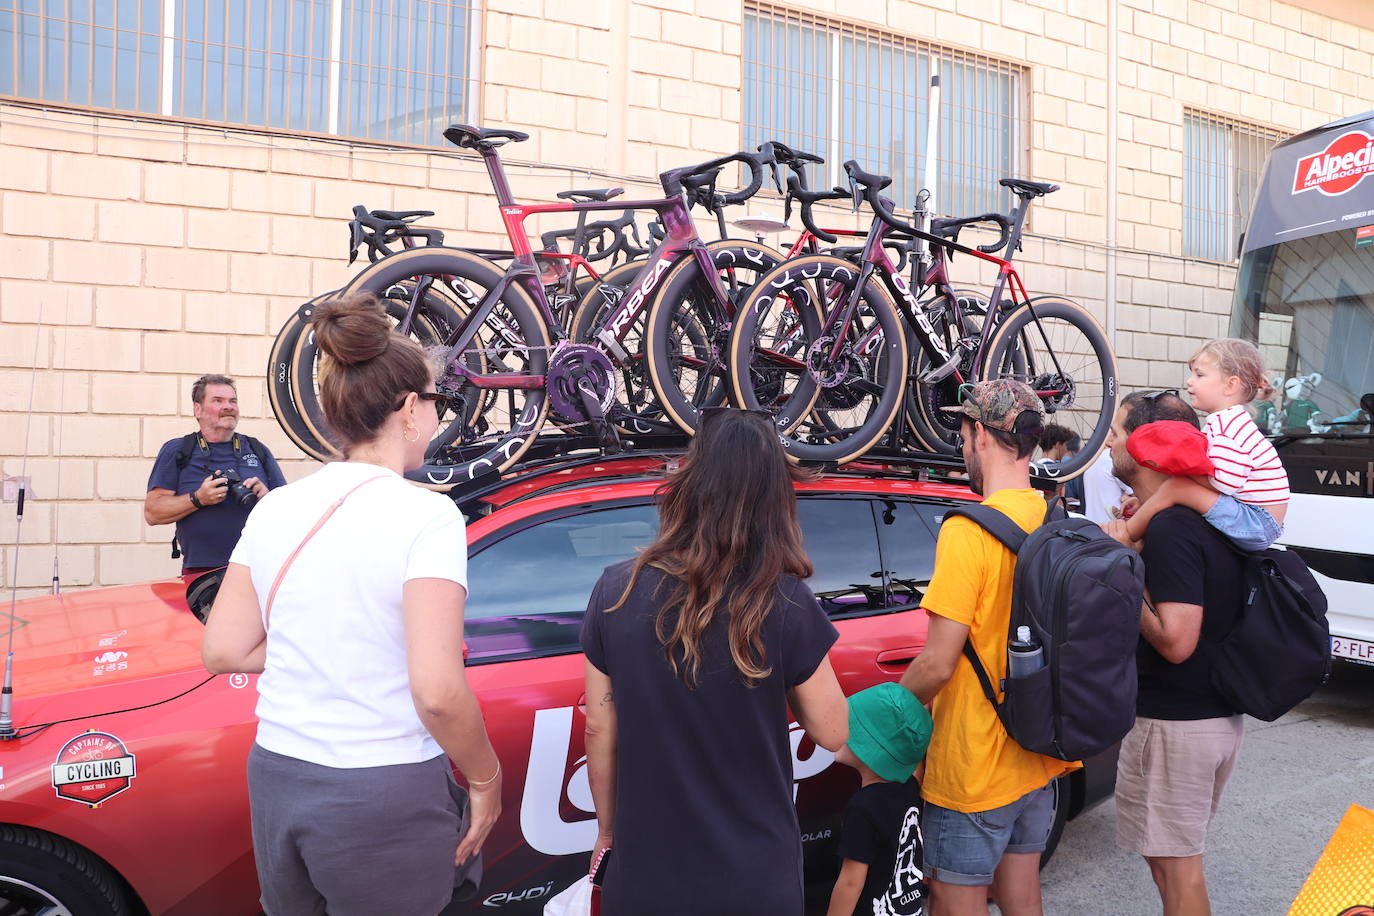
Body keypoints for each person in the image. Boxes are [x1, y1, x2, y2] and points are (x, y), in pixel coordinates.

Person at [201, 293, 500, 915]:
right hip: (380, 787)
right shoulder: (428, 514)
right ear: (408, 410)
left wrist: (321, 644)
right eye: (436, 403)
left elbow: (223, 647)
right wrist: (486, 780)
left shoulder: (277, 507)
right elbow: (438, 690)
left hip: (278, 772)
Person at [580, 408, 849, 916]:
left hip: (647, 872)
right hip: (755, 876)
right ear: (774, 496)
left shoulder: (616, 589)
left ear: (690, 479)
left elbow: (600, 729)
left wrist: (608, 830)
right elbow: (834, 732)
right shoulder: (785, 602)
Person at [898, 379, 1078, 916]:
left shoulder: (967, 530)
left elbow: (937, 661)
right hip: (1038, 754)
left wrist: (886, 717)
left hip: (973, 764)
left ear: (979, 434)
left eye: (962, 429)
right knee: (1024, 899)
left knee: (956, 905)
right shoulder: (1054, 517)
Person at [1104, 389, 1247, 916]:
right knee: (1170, 864)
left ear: (1144, 448)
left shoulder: (1171, 528)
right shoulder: (1204, 515)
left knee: (1178, 869)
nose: (1109, 443)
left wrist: (1123, 572)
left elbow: (1177, 639)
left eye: (1117, 433)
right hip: (1205, 719)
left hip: (1176, 725)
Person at [1116, 338, 1289, 551]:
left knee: (1177, 486)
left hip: (1257, 521)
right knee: (1179, 487)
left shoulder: (1229, 426)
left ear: (1230, 385)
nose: (1189, 381)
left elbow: (1225, 483)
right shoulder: (1226, 421)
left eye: (1199, 375)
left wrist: (1181, 480)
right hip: (1256, 518)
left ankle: (1125, 533)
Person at [145, 374, 287, 576]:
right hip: (201, 573)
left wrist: (266, 498)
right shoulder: (178, 450)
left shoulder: (257, 449)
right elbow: (152, 512)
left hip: (257, 568)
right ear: (198, 409)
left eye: (233, 401)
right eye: (218, 401)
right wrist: (198, 498)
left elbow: (289, 514)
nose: (228, 406)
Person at [826, 682, 933, 916]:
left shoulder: (863, 808)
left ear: (872, 747)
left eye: (850, 725)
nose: (840, 729)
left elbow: (851, 883)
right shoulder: (911, 788)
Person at [1037, 423, 1083, 510]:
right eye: (1065, 445)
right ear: (1058, 445)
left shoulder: (1036, 467)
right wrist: (1063, 504)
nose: (1066, 450)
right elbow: (1050, 501)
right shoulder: (1054, 471)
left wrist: (1064, 501)